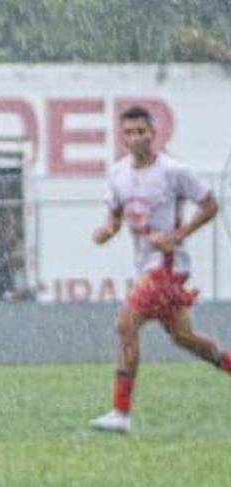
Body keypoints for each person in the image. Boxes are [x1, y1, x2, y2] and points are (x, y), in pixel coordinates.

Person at [89, 105, 227, 434]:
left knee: (126, 323)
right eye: (129, 132)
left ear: (154, 133)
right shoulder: (118, 174)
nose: (136, 138)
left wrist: (177, 236)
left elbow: (210, 205)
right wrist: (106, 231)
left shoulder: (174, 171)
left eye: (142, 131)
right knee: (184, 338)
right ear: (122, 137)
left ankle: (120, 414)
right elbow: (116, 218)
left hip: (169, 267)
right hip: (147, 267)